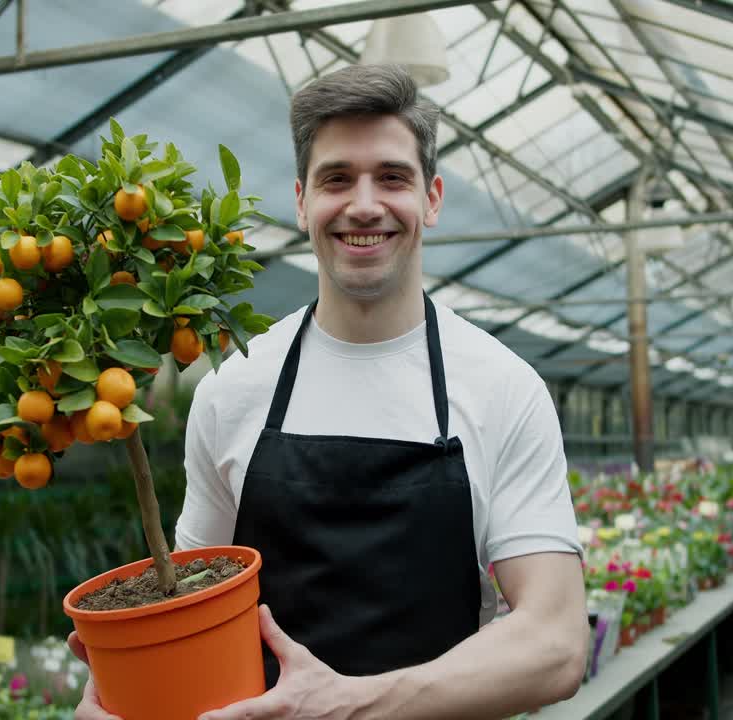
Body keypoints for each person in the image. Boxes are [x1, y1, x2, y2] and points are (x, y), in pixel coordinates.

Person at [69, 63, 588, 720]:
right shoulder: (235, 388)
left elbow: (556, 642)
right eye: (336, 178)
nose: (364, 204)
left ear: (431, 197)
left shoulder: (502, 388)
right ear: (301, 201)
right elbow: (190, 609)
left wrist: (351, 706)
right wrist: (126, 691)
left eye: (392, 177)